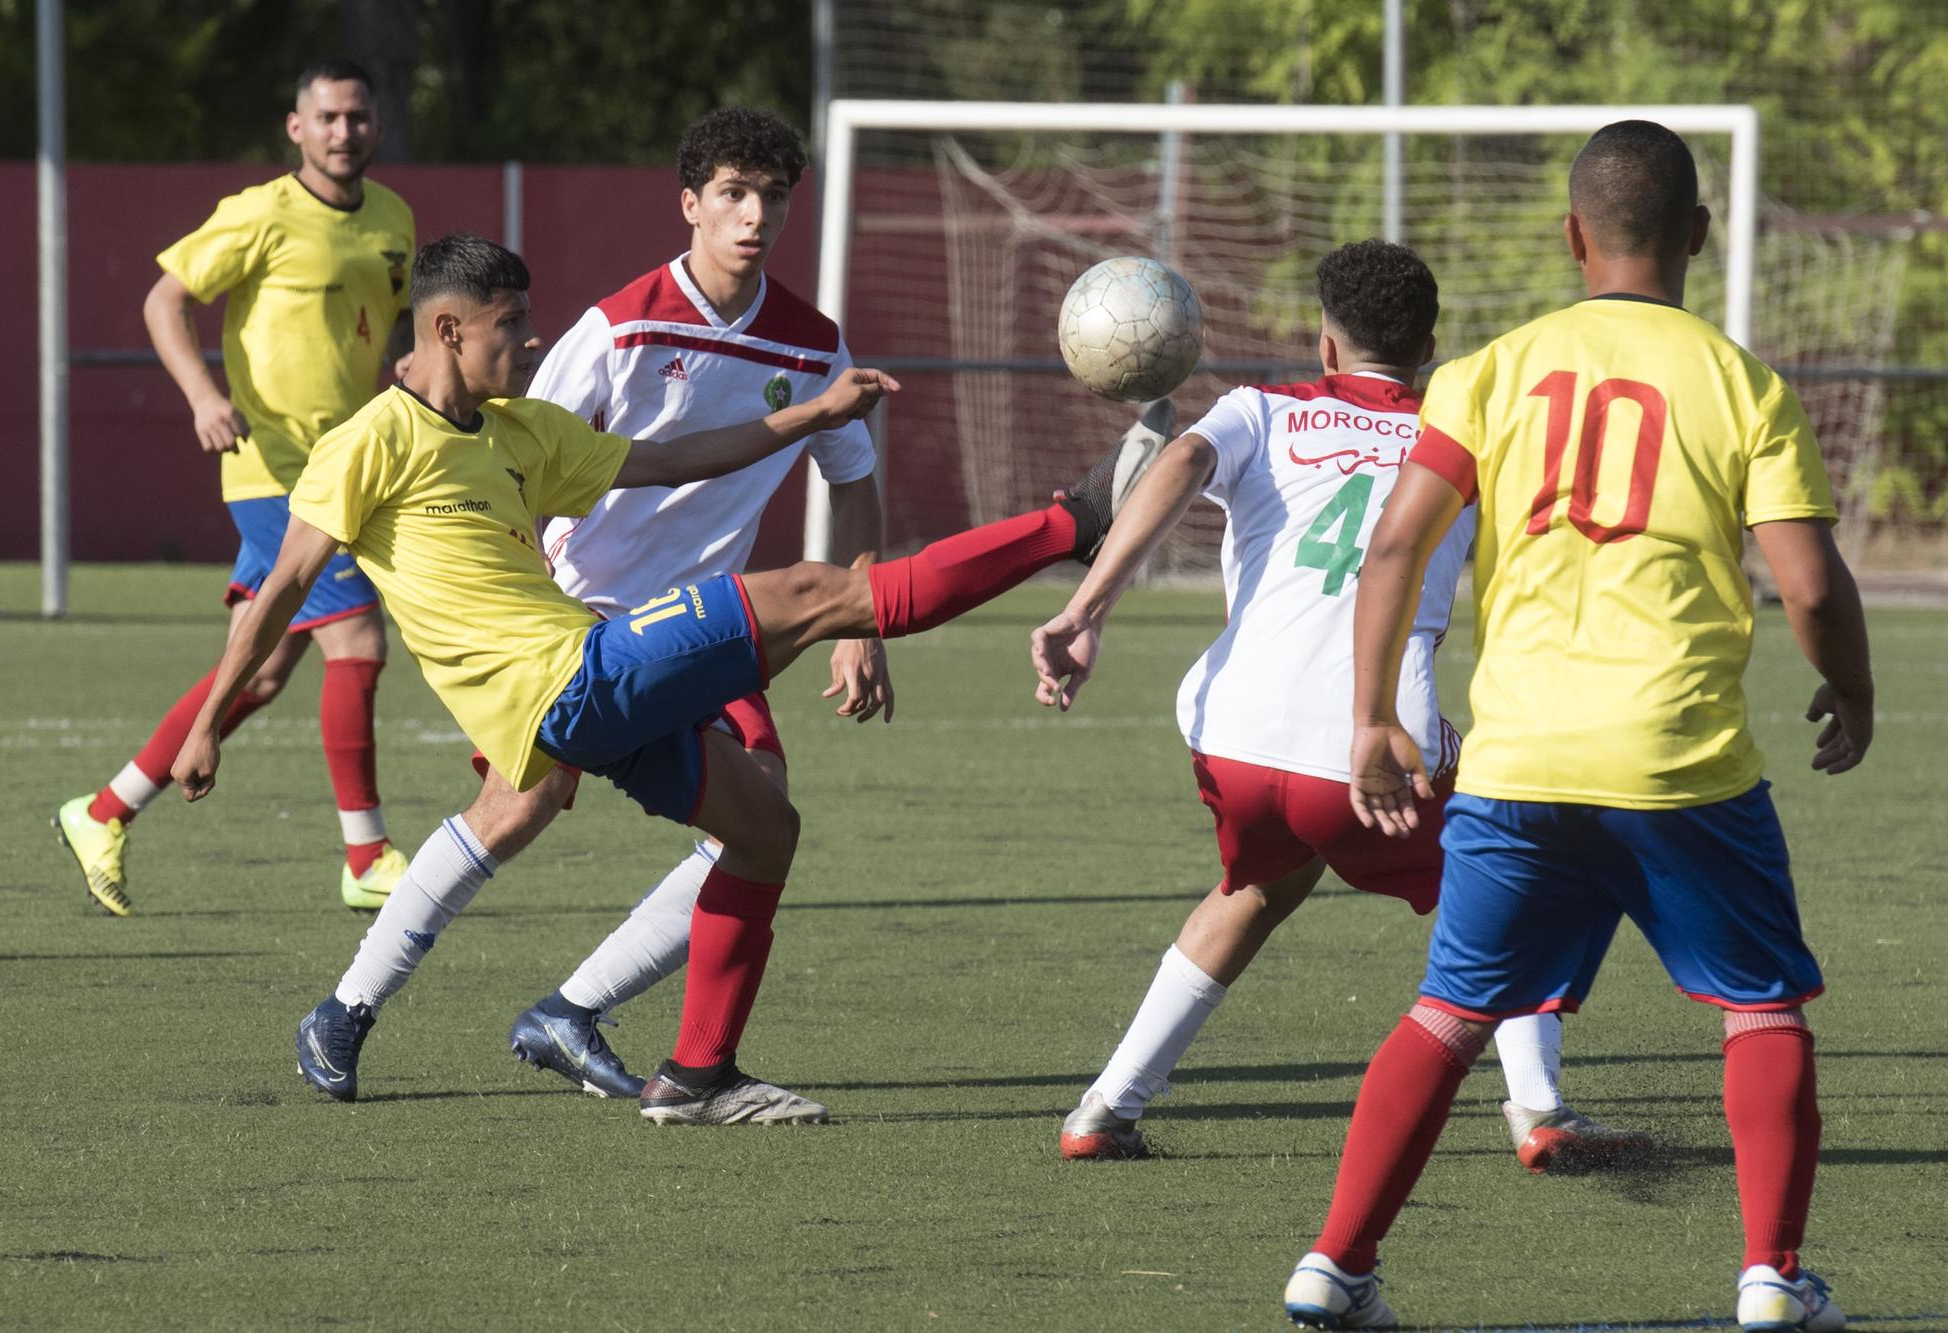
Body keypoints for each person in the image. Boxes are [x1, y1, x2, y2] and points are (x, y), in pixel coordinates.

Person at [172, 233, 1149, 1127]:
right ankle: (1075, 520)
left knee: (765, 830)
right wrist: (209, 719)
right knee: (820, 591)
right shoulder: (370, 442)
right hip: (571, 683)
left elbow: (670, 458)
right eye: (510, 323)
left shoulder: (518, 431)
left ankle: (696, 1076)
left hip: (583, 689)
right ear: (445, 329)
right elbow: (277, 592)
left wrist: (810, 413)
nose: (529, 337)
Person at [1281, 122, 1870, 1332]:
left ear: (1569, 235)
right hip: (1678, 758)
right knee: (1759, 1008)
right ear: (1700, 236)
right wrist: (1850, 687)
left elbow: (1394, 543)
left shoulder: (1486, 371)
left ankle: (1333, 1264)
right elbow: (1807, 585)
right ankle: (1771, 1277)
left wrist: (1368, 719)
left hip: (1520, 755)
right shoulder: (1739, 382)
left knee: (1446, 1012)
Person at [1031, 240, 1642, 1172]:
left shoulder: (1259, 411)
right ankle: (1542, 1108)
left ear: (1324, 344)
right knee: (1514, 885)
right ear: (1431, 345)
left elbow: (1182, 461)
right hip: (1370, 743)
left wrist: (1085, 606)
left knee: (1258, 887)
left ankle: (1105, 1106)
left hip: (1233, 737)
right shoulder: (1467, 432)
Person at [478, 108, 894, 1099]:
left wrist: (858, 619)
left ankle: (614, 1031)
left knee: (761, 818)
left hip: (705, 625)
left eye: (774, 196)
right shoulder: (618, 325)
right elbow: (522, 461)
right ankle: (361, 1004)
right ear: (690, 205)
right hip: (581, 620)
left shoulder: (810, 342)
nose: (755, 215)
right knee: (515, 812)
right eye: (733, 194)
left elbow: (853, 475)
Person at [53, 59, 416, 916]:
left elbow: (384, 328)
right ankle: (365, 852)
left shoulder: (396, 219)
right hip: (275, 467)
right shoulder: (262, 212)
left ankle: (102, 812)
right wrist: (205, 396)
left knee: (255, 672)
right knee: (358, 640)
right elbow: (163, 301)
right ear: (297, 127)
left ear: (375, 125)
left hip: (348, 463)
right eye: (326, 117)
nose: (343, 132)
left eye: (357, 117)